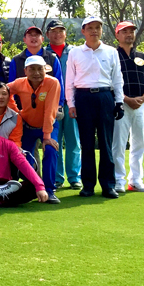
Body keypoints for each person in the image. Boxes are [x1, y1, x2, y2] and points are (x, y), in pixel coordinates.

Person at [66, 16, 125, 199]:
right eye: (90, 28)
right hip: (83, 98)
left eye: (97, 27)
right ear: (83, 31)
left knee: (106, 143)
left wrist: (119, 102)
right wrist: (71, 103)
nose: (94, 31)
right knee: (87, 144)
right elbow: (70, 81)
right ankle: (88, 185)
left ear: (102, 30)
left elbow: (117, 78)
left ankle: (108, 185)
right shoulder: (75, 52)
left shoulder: (111, 52)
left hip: (105, 97)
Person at [7, 55, 62, 204]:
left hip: (49, 126)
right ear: (25, 70)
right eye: (32, 69)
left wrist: (47, 136)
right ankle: (33, 187)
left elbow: (50, 110)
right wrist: (15, 111)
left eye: (40, 69)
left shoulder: (52, 82)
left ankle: (49, 190)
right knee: (24, 157)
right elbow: (5, 90)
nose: (36, 73)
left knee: (50, 150)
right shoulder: (19, 83)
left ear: (45, 70)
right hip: (27, 126)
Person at [111, 21, 144, 193]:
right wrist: (126, 99)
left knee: (139, 144)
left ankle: (136, 181)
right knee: (118, 143)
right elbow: (109, 81)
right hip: (120, 104)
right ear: (117, 35)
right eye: (125, 32)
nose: (129, 34)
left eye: (131, 31)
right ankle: (118, 180)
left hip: (142, 105)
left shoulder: (143, 57)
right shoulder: (112, 56)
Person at [44, 19, 81, 189]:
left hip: (72, 102)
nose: (57, 34)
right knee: (54, 140)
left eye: (60, 31)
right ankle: (57, 177)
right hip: (51, 104)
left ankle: (74, 177)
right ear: (47, 34)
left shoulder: (75, 52)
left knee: (74, 141)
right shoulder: (44, 54)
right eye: (53, 31)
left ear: (65, 33)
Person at [8, 26, 63, 92]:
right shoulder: (16, 60)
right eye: (30, 35)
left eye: (37, 35)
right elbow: (11, 86)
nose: (33, 37)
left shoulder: (52, 59)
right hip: (22, 98)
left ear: (42, 39)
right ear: (24, 40)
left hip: (48, 98)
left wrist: (59, 99)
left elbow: (59, 84)